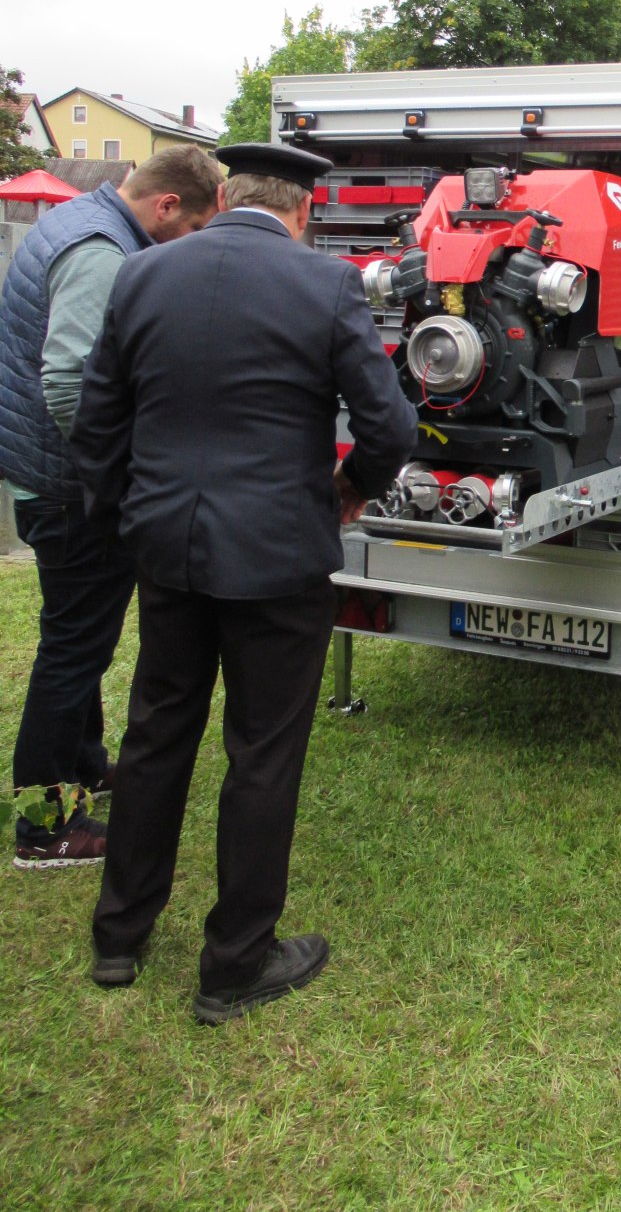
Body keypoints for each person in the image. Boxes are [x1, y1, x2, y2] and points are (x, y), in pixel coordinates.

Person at [69, 142, 418, 1022]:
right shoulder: (326, 285)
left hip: (169, 550)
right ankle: (234, 960)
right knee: (262, 753)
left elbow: (99, 421)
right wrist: (346, 491)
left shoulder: (144, 274)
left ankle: (120, 933)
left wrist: (128, 514)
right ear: (306, 210)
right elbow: (388, 425)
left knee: (155, 735)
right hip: (276, 554)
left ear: (222, 196)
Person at [1, 146, 222, 869]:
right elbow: (68, 380)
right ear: (165, 206)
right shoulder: (101, 252)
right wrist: (120, 477)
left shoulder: (81, 222)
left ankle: (86, 768)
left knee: (81, 643)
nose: (189, 245)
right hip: (71, 490)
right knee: (71, 653)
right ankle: (43, 826)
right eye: (192, 228)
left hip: (54, 478)